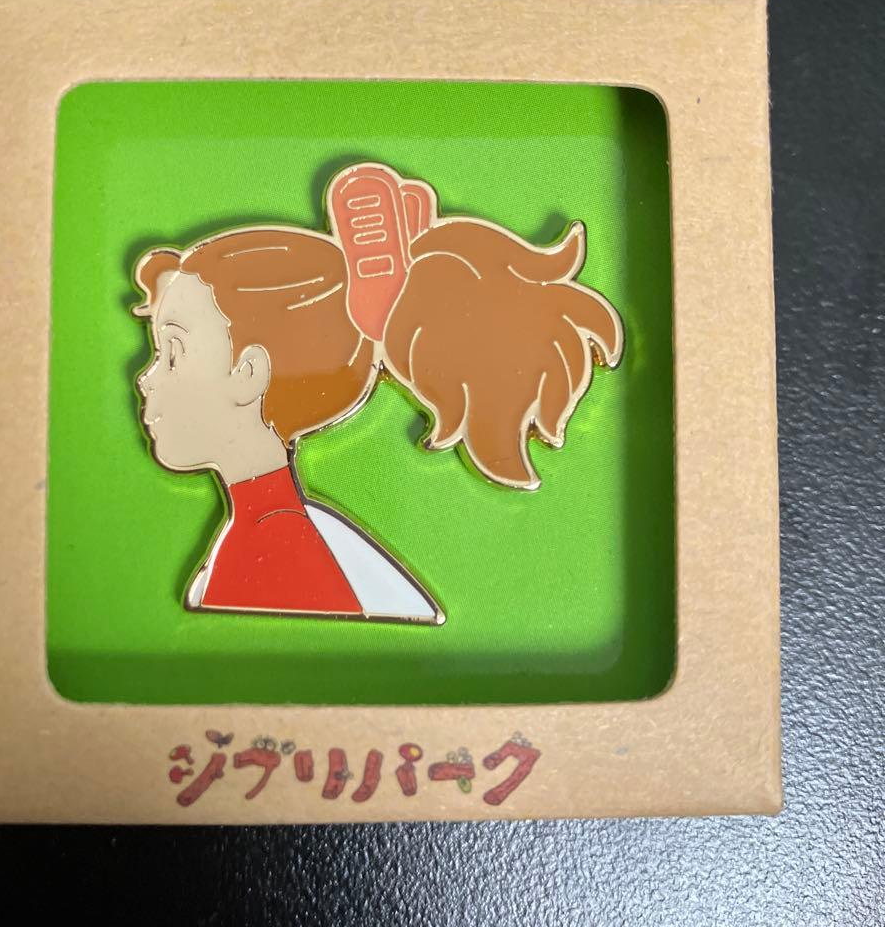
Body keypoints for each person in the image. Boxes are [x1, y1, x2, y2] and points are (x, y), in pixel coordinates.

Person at [132, 162, 623, 624]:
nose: (145, 378)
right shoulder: (275, 534)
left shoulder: (268, 552)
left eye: (173, 354)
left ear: (248, 373)